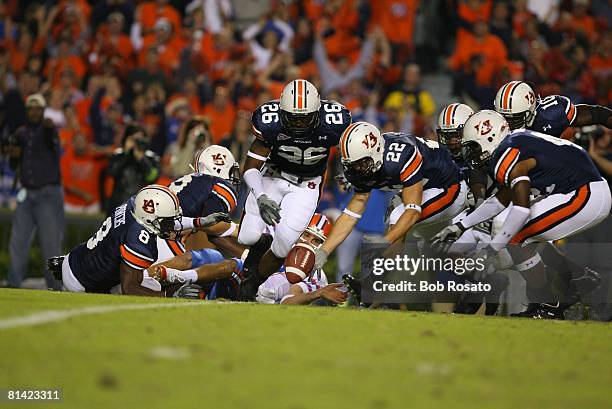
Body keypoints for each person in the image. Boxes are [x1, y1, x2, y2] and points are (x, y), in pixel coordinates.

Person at [432, 110, 611, 319]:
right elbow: (501, 200)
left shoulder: (507, 154)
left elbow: (521, 209)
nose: (470, 153)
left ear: (489, 139)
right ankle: (573, 281)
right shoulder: (514, 144)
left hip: (585, 194)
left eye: (473, 146)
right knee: (520, 238)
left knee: (517, 237)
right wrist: (460, 226)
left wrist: (490, 249)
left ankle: (547, 303)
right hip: (578, 190)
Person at [238, 79, 351, 299]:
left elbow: (350, 145)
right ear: (282, 111)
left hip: (306, 184)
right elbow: (251, 167)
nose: (299, 124)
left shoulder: (335, 121)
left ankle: (252, 284)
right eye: (293, 117)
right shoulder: (269, 122)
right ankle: (260, 247)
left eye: (305, 118)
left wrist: (350, 171)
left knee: (284, 245)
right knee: (247, 238)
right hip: (272, 175)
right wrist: (260, 197)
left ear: (317, 113)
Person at [314, 121, 467, 270]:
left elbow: (413, 210)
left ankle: (381, 279)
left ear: (376, 152)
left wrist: (384, 242)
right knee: (396, 218)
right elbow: (350, 214)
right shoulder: (362, 163)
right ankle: (382, 279)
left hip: (449, 186)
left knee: (398, 215)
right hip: (425, 186)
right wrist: (324, 250)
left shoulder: (403, 156)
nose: (358, 170)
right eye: (352, 165)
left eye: (362, 164)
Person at [48, 185, 187, 296]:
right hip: (82, 281)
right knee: (153, 287)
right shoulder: (138, 236)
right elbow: (130, 288)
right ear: (150, 218)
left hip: (79, 256)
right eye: (168, 220)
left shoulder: (133, 205)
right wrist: (166, 296)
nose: (172, 224)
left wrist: (198, 222)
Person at [6, 94, 64, 290]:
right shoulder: (21, 133)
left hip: (48, 194)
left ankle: (55, 287)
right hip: (26, 193)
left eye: (38, 108)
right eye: (31, 108)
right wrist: (13, 154)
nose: (34, 112)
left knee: (50, 245)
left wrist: (50, 131)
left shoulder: (48, 129)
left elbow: (55, 146)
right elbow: (14, 164)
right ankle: (14, 283)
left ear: (43, 110)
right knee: (17, 242)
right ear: (27, 110)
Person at [493, 81, 612, 136]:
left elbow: (597, 114)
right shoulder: (492, 130)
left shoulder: (551, 113)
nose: (507, 123)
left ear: (530, 111)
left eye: (514, 118)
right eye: (504, 117)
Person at [105, 124, 160, 214]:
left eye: (139, 140)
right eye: (132, 139)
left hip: (143, 205)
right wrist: (127, 154)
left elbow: (151, 177)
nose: (136, 143)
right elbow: (112, 172)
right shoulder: (118, 155)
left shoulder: (151, 158)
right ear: (125, 139)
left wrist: (141, 159)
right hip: (119, 203)